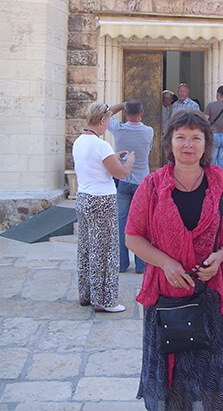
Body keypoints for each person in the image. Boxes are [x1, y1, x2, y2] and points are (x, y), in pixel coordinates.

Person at [126, 110, 223, 409]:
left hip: (211, 296)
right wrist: (166, 263)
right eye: (180, 137)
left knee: (212, 378)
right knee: (170, 380)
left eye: (196, 138)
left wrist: (221, 256)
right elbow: (133, 237)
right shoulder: (152, 186)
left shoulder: (221, 183)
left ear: (207, 144)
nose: (188, 144)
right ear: (169, 142)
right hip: (166, 297)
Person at [72, 102, 136, 313]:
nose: (108, 124)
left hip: (83, 198)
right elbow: (121, 173)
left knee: (87, 247)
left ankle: (87, 293)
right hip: (101, 201)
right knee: (106, 250)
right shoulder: (101, 145)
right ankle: (104, 300)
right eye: (108, 120)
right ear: (102, 120)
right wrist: (130, 161)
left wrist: (114, 159)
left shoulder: (79, 142)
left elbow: (96, 166)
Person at [107, 99, 154, 273]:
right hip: (142, 183)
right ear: (141, 113)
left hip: (124, 181)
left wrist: (122, 104)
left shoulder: (118, 129)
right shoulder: (149, 131)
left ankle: (121, 263)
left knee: (121, 223)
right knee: (141, 224)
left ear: (125, 114)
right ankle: (141, 264)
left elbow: (106, 113)